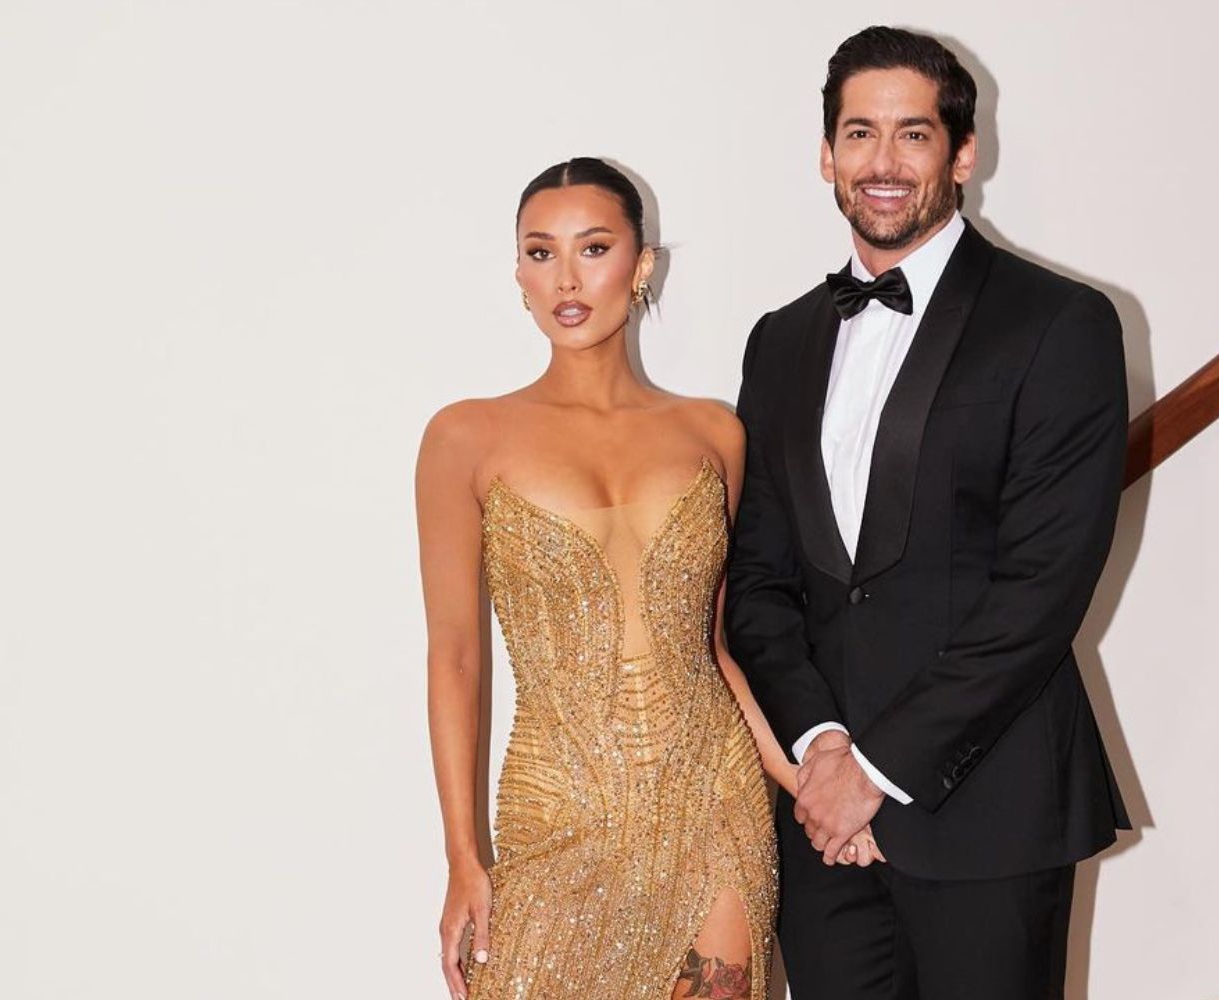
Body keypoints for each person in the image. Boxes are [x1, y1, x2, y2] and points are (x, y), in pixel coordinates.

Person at [725, 27, 1132, 998]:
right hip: (820, 819)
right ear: (826, 153)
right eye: (860, 133)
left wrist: (878, 766)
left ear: (963, 154)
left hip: (988, 807)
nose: (883, 161)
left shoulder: (1060, 324)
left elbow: (1041, 590)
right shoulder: (778, 342)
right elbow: (760, 579)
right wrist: (823, 753)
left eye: (913, 135)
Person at [414, 157, 880, 1000]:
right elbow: (454, 660)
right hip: (555, 806)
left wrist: (812, 786)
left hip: (713, 803)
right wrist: (461, 856)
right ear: (516, 272)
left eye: (593, 248)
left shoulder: (713, 433)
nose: (566, 277)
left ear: (643, 264)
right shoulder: (464, 438)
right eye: (540, 252)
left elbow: (716, 649)